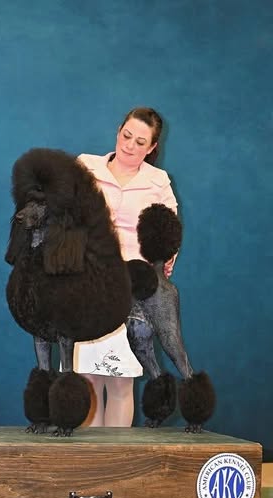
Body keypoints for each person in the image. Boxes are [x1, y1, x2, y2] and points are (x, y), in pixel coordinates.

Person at [75, 107, 178, 427]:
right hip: (88, 282)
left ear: (152, 148)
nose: (130, 145)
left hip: (134, 289)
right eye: (126, 136)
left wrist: (166, 257)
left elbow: (169, 231)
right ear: (118, 130)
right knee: (88, 379)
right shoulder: (85, 166)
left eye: (140, 142)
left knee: (121, 381)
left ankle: (116, 456)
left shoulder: (158, 181)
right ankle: (91, 455)